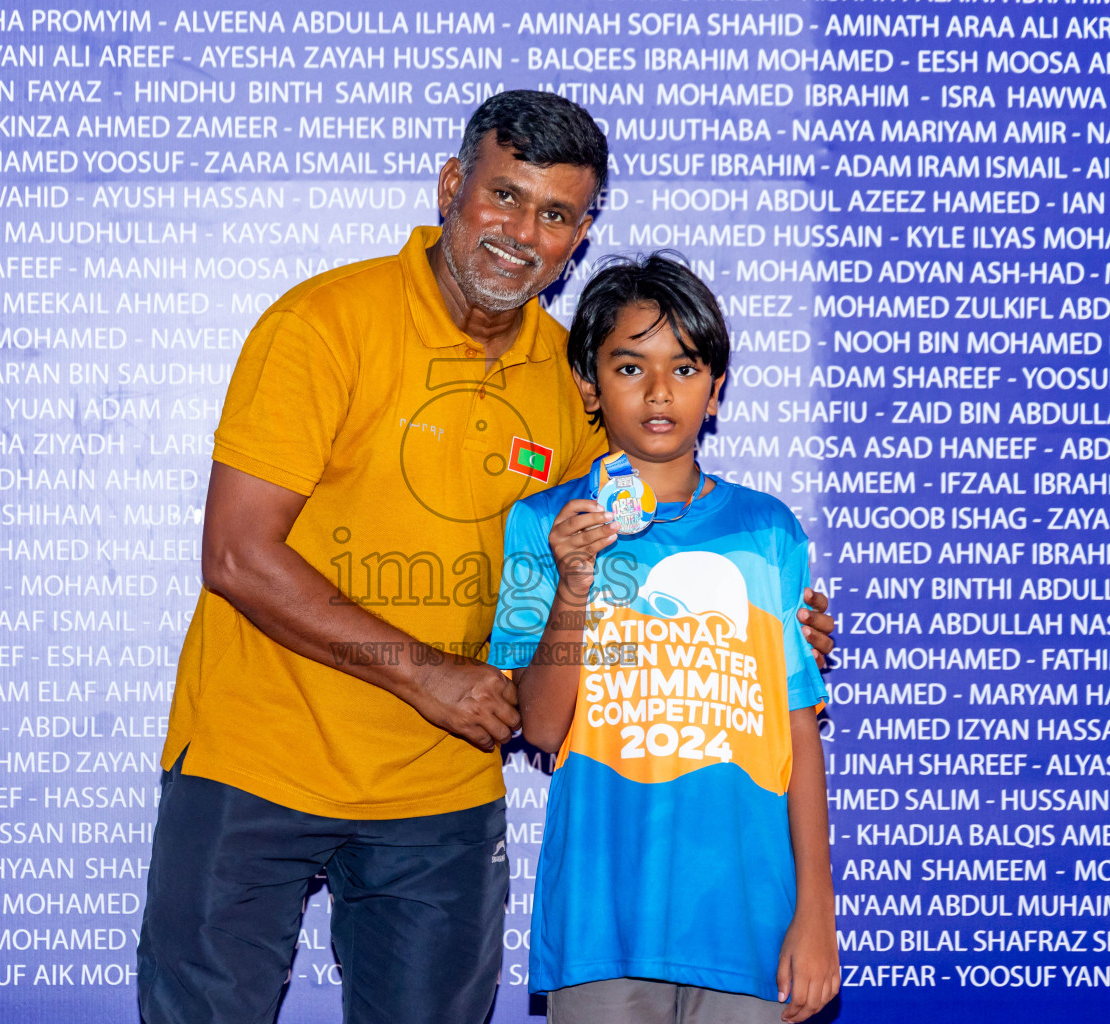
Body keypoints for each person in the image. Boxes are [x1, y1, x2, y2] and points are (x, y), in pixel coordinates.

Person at [137, 91, 836, 1024]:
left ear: (580, 236)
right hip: (259, 762)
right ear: (450, 186)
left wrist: (770, 628)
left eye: (554, 215)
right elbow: (234, 554)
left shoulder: (578, 382)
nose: (521, 233)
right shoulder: (323, 323)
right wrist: (428, 676)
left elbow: (634, 560)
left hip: (442, 792)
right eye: (503, 197)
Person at [489, 254, 839, 1023]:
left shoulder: (766, 530)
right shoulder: (540, 526)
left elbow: (795, 729)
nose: (657, 391)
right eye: (628, 366)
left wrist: (817, 912)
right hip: (599, 925)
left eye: (683, 367)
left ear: (714, 389)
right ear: (590, 384)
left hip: (747, 922)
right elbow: (541, 727)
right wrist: (574, 582)